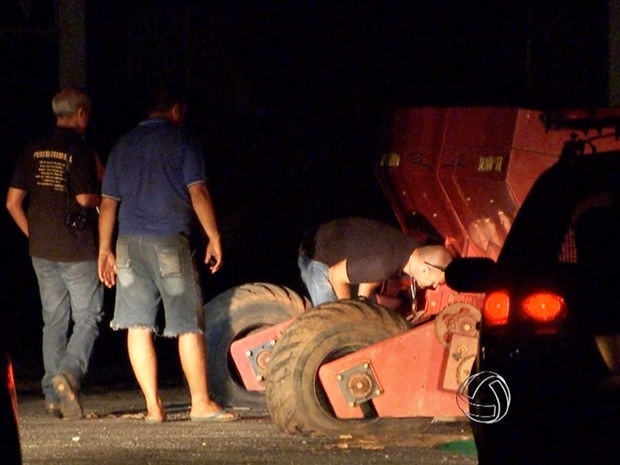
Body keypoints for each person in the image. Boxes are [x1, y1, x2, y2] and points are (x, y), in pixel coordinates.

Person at [97, 83, 236, 423]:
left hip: (129, 245)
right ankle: (200, 404)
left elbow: (108, 203)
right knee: (187, 325)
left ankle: (153, 407)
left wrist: (104, 249)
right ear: (175, 109)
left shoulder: (123, 144)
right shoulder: (182, 140)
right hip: (169, 242)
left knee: (137, 325)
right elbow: (198, 191)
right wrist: (214, 235)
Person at [6, 88, 103, 420]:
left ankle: (52, 396)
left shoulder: (31, 148)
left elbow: (11, 202)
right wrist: (102, 196)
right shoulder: (78, 147)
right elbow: (86, 198)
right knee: (89, 316)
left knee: (54, 321)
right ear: (80, 114)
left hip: (42, 249)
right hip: (76, 247)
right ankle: (70, 375)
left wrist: (34, 234)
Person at [298, 217, 454, 306]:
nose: (434, 286)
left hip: (333, 245)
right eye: (436, 282)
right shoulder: (386, 264)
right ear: (426, 270)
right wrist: (351, 311)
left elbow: (370, 270)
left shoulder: (409, 247)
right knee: (333, 327)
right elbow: (335, 275)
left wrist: (362, 301)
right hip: (317, 257)